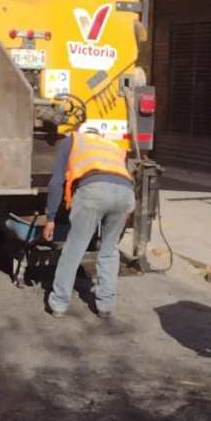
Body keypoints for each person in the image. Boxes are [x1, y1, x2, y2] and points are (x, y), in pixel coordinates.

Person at [43, 125, 135, 319]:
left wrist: (50, 218)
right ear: (98, 135)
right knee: (109, 251)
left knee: (74, 250)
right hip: (126, 194)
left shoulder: (73, 140)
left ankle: (59, 304)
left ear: (81, 132)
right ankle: (105, 306)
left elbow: (56, 181)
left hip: (94, 192)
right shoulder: (112, 145)